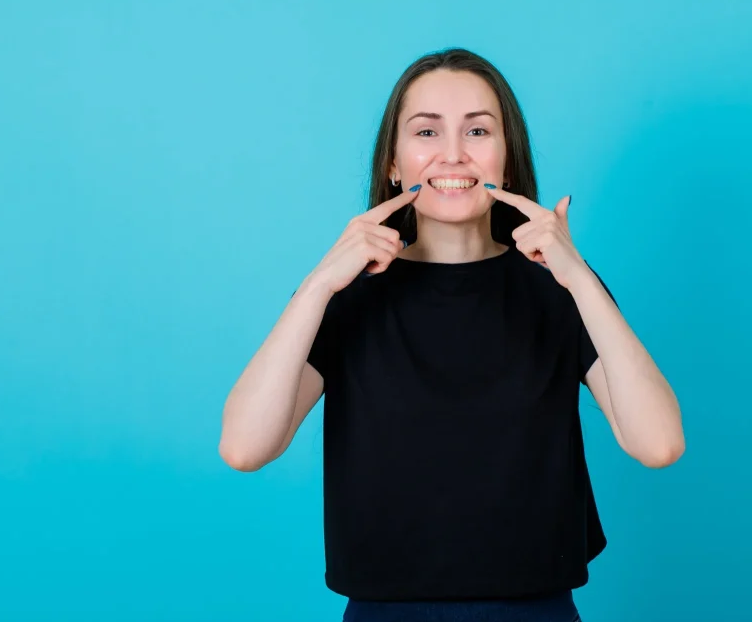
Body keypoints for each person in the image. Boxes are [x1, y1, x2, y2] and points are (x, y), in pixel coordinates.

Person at [219, 48, 685, 621]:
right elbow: (244, 448)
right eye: (426, 131)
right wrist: (317, 285)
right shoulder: (347, 297)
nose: (453, 154)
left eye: (478, 130)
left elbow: (658, 444)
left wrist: (579, 278)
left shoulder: (558, 290)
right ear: (393, 162)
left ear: (507, 158)